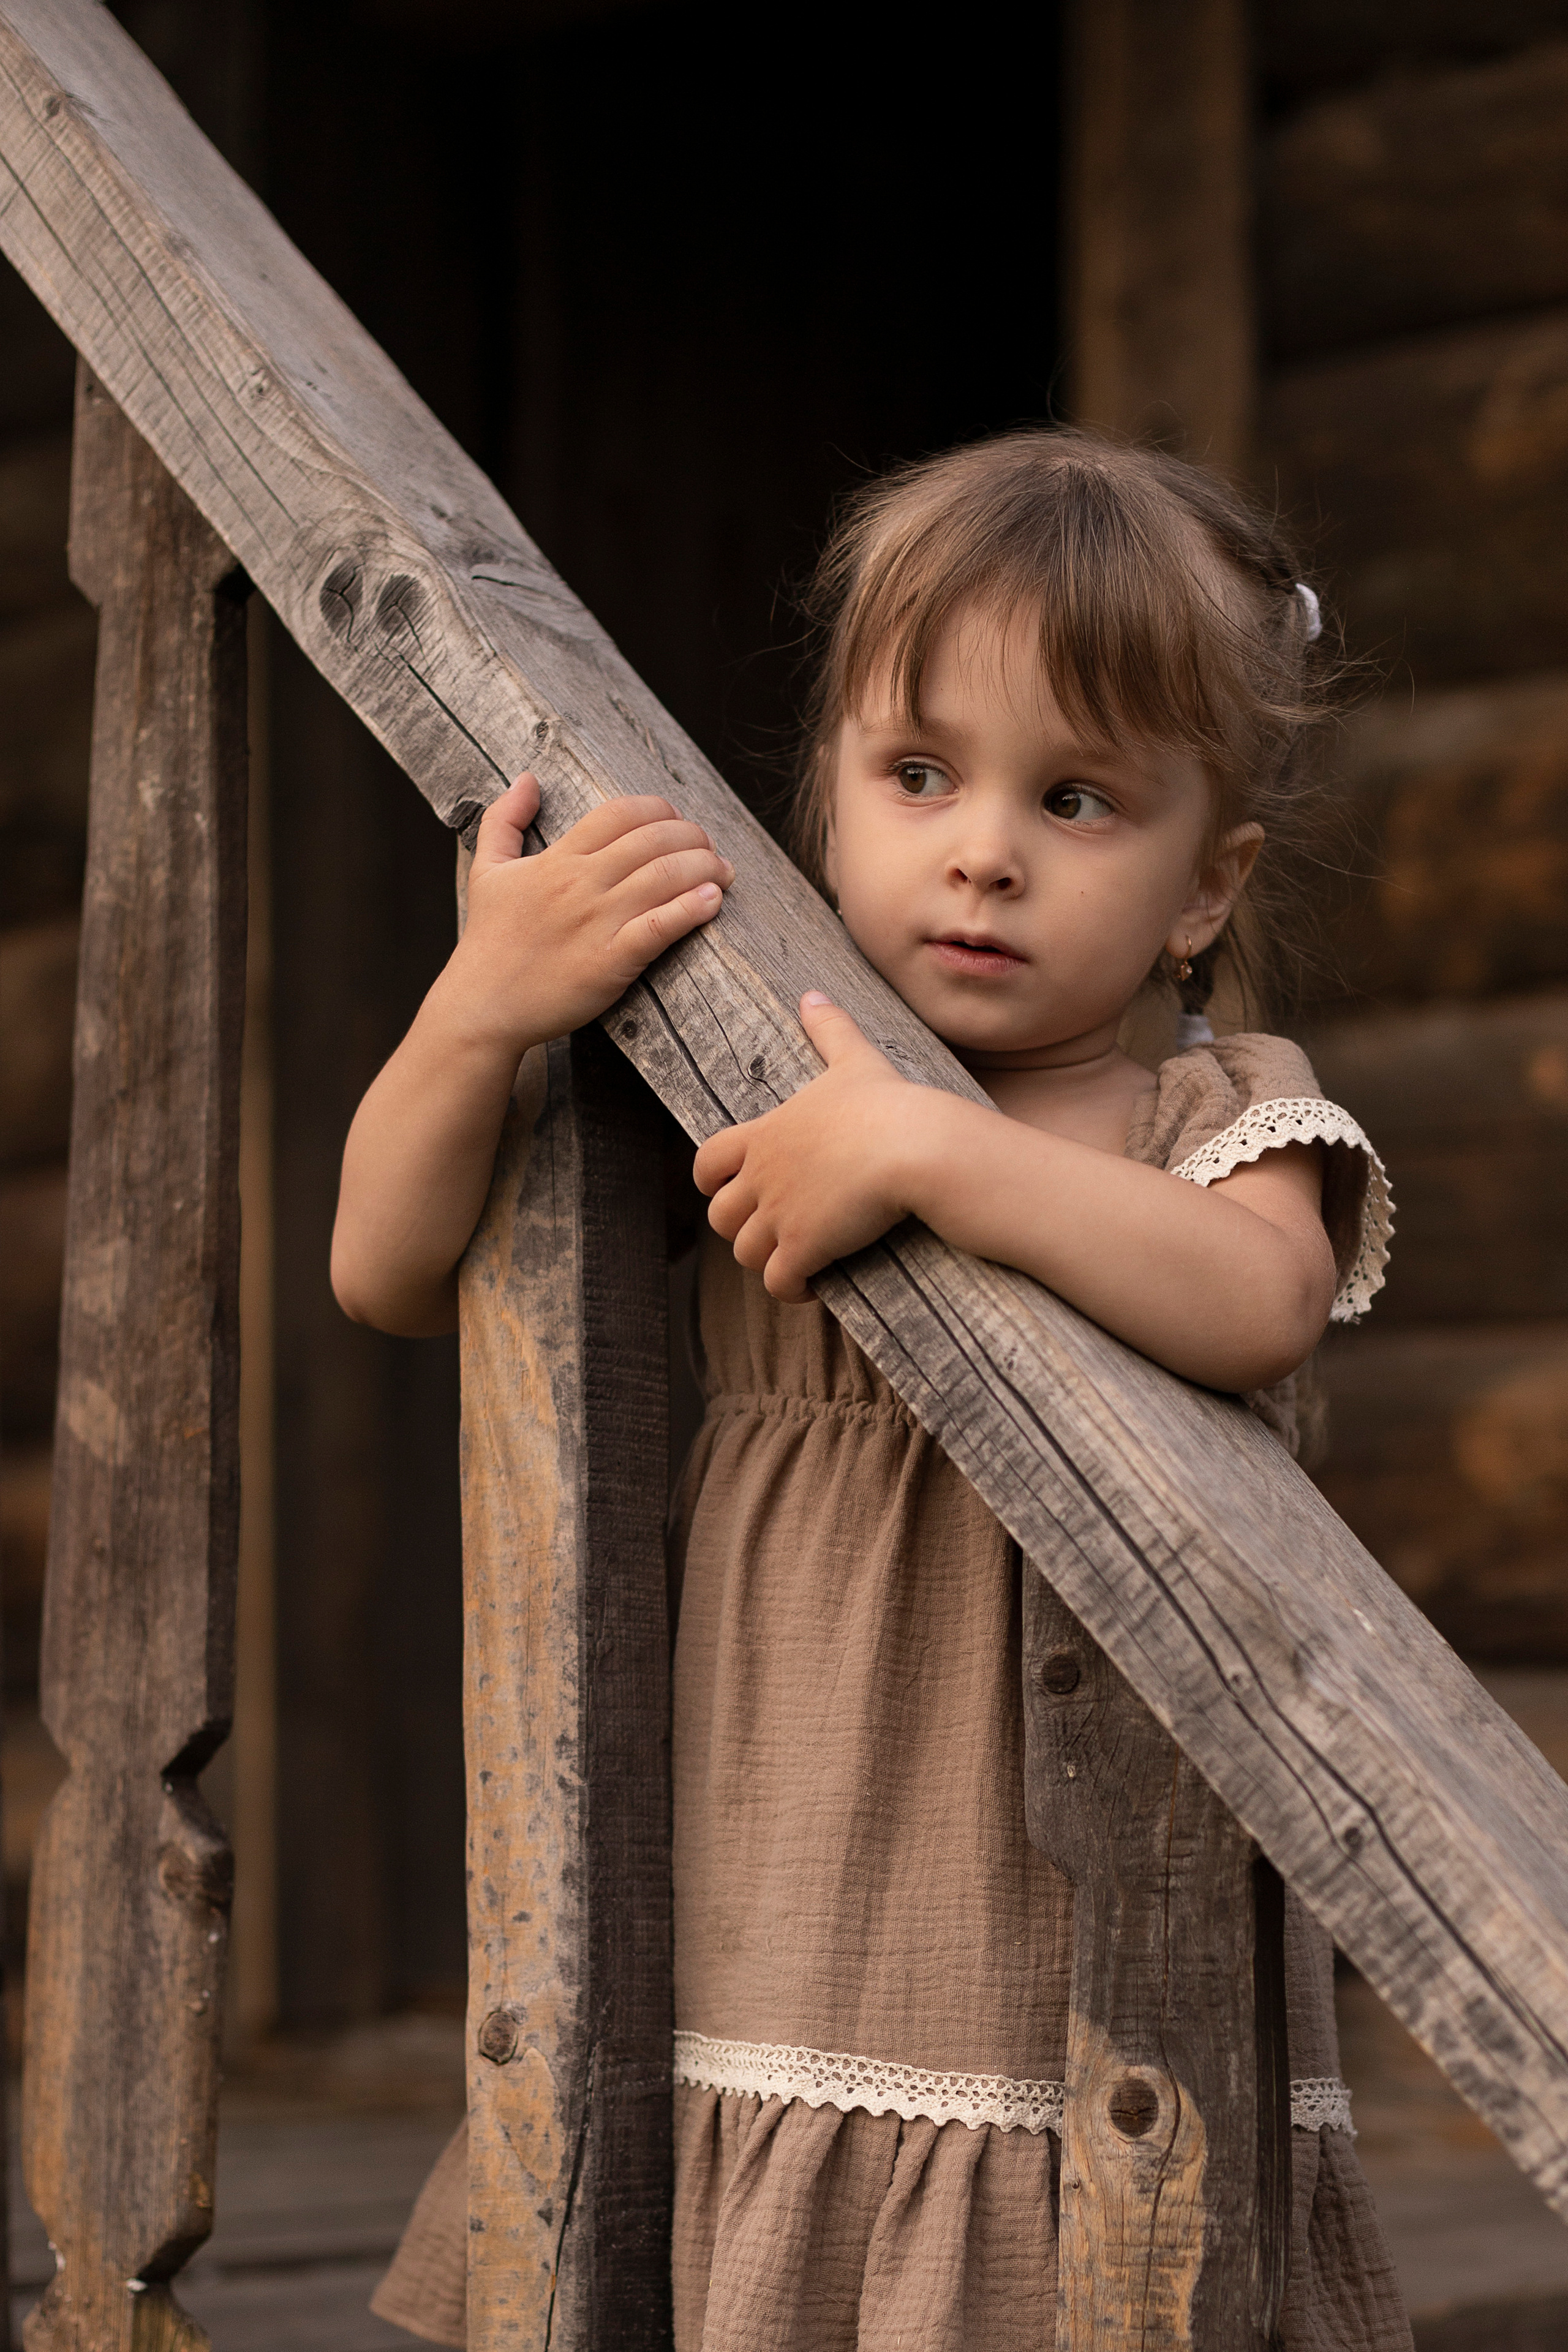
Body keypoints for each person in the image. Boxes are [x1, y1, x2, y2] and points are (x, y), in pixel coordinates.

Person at [338, 428, 1409, 2351]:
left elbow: (1263, 1298)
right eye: (920, 775)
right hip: (771, 1859)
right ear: (828, 796)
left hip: (1086, 1922)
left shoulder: (1219, 1105)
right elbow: (387, 1268)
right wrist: (476, 1008)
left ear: (1200, 884)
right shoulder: (747, 1062)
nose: (984, 847)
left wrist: (934, 1158)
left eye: (1077, 800)